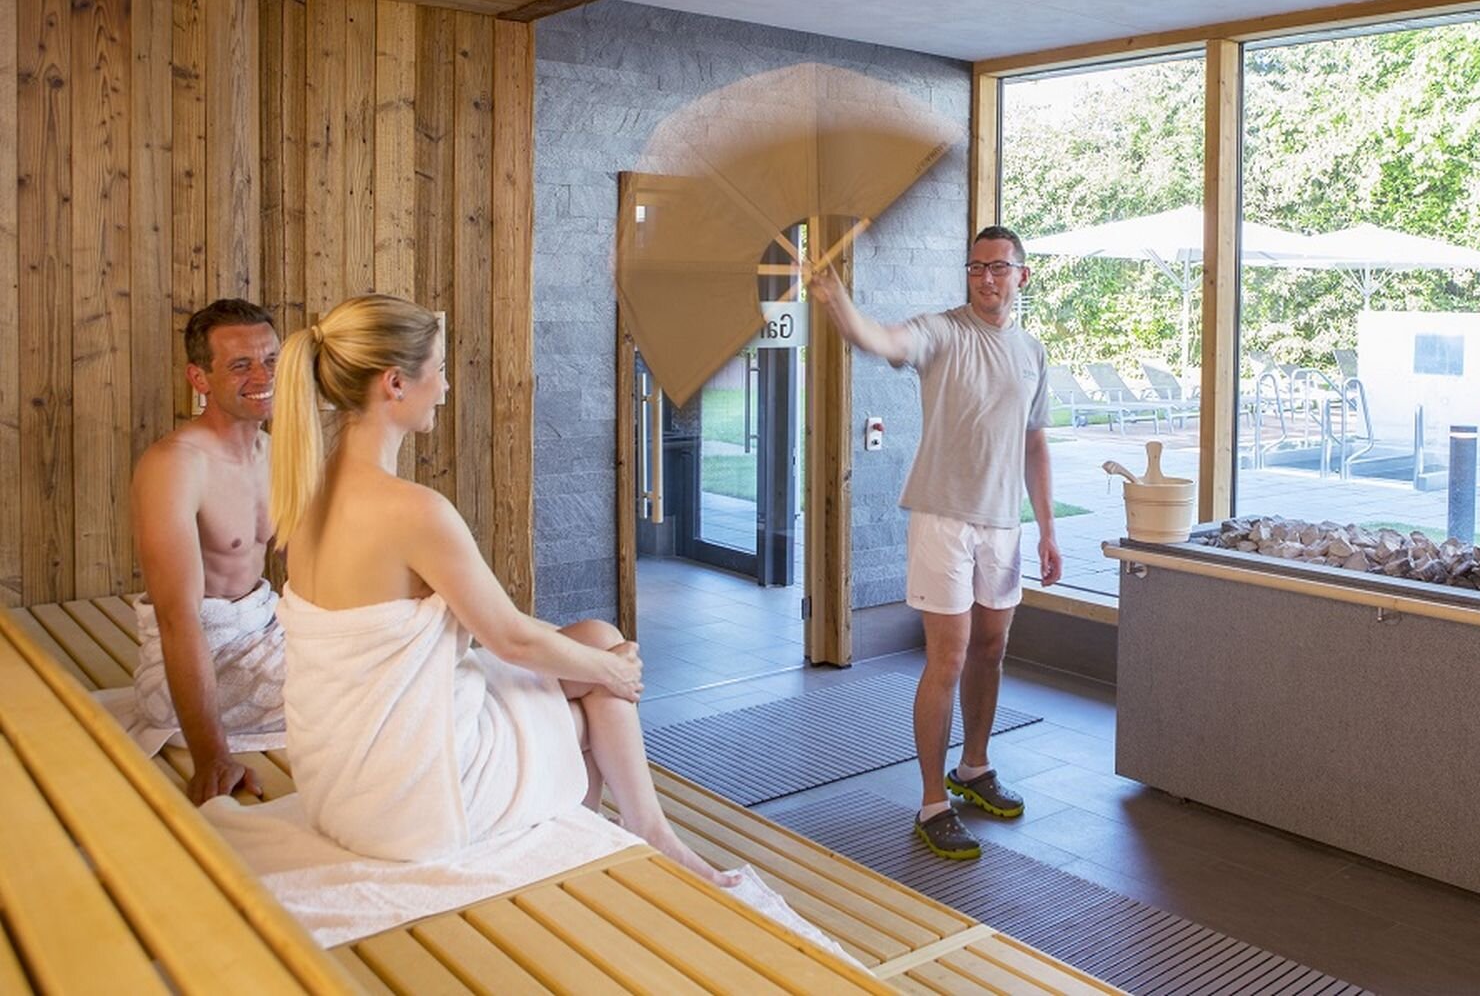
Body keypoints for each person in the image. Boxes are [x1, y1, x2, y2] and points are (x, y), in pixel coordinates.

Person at [266, 293, 731, 883]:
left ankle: (636, 827)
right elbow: (511, 640)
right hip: (411, 803)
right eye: (438, 370)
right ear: (395, 383)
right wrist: (612, 673)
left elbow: (497, 629)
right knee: (600, 692)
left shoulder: (305, 492)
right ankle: (636, 834)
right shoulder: (413, 512)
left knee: (596, 638)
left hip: (339, 787)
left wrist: (600, 659)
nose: (444, 388)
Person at [812, 224, 1060, 861]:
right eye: (976, 267)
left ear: (1022, 275)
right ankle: (931, 803)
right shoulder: (943, 332)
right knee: (947, 658)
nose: (986, 278)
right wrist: (839, 304)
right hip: (942, 519)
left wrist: (1047, 529)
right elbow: (881, 339)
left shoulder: (1032, 352)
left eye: (998, 267)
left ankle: (974, 768)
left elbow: (1035, 443)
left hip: (1002, 522)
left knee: (991, 648)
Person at [130, 298, 288, 801]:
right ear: (200, 378)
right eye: (240, 365)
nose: (263, 376)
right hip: (204, 656)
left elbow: (314, 570)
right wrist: (212, 757)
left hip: (263, 631)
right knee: (374, 687)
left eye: (271, 360)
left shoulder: (273, 454)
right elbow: (178, 616)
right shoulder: (175, 465)